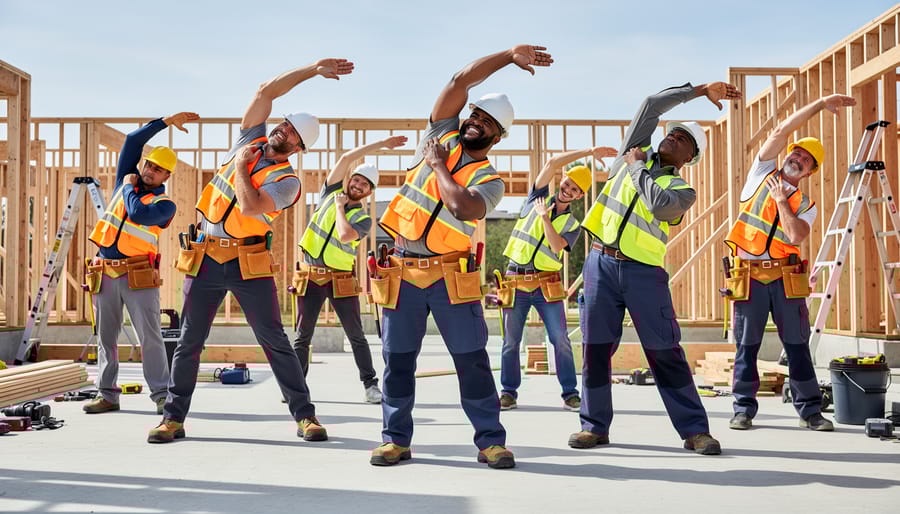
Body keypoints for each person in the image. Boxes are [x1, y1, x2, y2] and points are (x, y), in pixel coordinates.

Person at [148, 59, 354, 444]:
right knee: (190, 340)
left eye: (292, 132)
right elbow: (265, 92)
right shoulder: (249, 139)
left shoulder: (288, 182)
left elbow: (250, 207)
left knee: (275, 340)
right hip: (206, 257)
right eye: (285, 123)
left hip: (249, 262)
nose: (283, 130)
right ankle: (173, 419)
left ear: (298, 148)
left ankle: (305, 415)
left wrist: (242, 169)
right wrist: (313, 69)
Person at [372, 45, 553, 469]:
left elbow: (463, 208)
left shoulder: (491, 180)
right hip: (402, 269)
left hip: (450, 277)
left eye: (486, 123)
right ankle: (395, 439)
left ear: (498, 136)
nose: (475, 123)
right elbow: (458, 81)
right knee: (397, 362)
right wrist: (509, 56)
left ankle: (490, 441)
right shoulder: (441, 135)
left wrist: (437, 167)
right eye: (474, 116)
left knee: (471, 361)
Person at [571, 81, 742, 455]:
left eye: (682, 139)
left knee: (664, 351)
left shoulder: (682, 191)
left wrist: (634, 169)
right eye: (673, 132)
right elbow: (651, 104)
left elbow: (658, 205)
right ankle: (594, 426)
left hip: (643, 274)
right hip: (600, 264)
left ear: (689, 158)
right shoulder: (630, 156)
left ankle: (695, 431)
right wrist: (699, 91)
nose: (672, 138)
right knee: (595, 349)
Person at [725, 93, 855, 432]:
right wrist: (820, 103)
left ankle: (810, 410)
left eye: (806, 160)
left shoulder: (805, 204)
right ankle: (742, 409)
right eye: (796, 152)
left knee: (797, 346)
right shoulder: (760, 173)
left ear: (811, 172)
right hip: (749, 277)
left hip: (785, 280)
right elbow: (782, 129)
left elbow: (796, 236)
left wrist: (782, 200)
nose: (798, 158)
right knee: (746, 347)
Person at [83, 112, 196, 415]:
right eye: (149, 165)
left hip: (139, 275)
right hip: (105, 272)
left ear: (166, 177)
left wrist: (130, 187)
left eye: (159, 170)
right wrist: (165, 122)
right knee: (106, 338)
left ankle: (161, 394)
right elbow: (133, 140)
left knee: (150, 337)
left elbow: (137, 215)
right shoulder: (126, 179)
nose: (151, 171)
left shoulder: (164, 205)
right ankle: (107, 394)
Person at [498, 146, 616, 411]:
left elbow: (555, 246)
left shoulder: (573, 224)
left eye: (575, 189)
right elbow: (551, 162)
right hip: (515, 280)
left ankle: (569, 393)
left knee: (560, 340)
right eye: (567, 183)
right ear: (562, 180)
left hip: (546, 285)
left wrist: (545, 218)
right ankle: (508, 392)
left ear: (580, 196)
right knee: (510, 342)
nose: (568, 189)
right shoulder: (535, 197)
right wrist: (590, 151)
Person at [293, 135, 408, 404]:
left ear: (369, 192)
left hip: (341, 280)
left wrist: (340, 208)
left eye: (365, 184)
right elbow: (345, 159)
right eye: (356, 179)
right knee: (302, 336)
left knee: (356, 335)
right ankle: (296, 388)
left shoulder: (364, 218)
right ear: (350, 179)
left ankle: (370, 385)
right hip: (311, 275)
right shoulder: (330, 191)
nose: (358, 185)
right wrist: (380, 145)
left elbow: (345, 236)